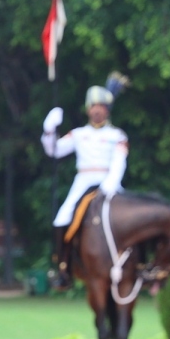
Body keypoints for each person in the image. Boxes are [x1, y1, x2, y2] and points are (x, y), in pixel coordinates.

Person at [42, 72, 130, 290]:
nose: (97, 110)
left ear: (107, 110)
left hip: (110, 180)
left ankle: (137, 265)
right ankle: (62, 268)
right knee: (61, 218)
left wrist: (110, 184)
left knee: (130, 220)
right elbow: (54, 150)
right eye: (93, 106)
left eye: (101, 106)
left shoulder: (118, 135)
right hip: (83, 180)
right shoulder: (78, 134)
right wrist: (49, 130)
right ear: (88, 109)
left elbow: (119, 162)